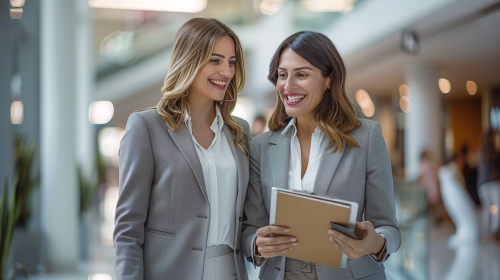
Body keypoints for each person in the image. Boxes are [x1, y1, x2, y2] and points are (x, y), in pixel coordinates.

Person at [241, 31, 401, 280]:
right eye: (283, 75)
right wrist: (256, 245)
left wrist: (376, 242)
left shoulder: (366, 137)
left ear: (328, 80)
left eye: (302, 74)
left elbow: (389, 228)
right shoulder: (261, 146)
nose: (288, 85)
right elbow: (251, 228)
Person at [114, 18, 251, 280]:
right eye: (215, 60)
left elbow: (246, 219)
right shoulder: (146, 127)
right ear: (190, 60)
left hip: (231, 272)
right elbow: (128, 229)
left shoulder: (239, 132)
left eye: (231, 62)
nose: (226, 71)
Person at [477, 130, 500, 241]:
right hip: (492, 183)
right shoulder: (495, 152)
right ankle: (494, 231)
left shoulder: (480, 152)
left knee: (487, 209)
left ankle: (485, 233)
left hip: (482, 185)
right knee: (496, 208)